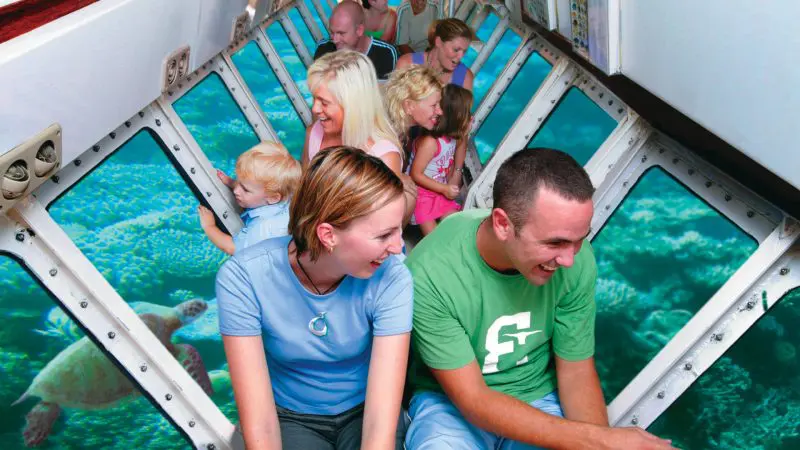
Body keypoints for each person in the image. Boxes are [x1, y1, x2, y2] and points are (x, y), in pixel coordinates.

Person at [404, 148, 676, 449]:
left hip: (538, 396)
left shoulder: (576, 260)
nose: (570, 259)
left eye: (579, 239)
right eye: (555, 242)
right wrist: (602, 441)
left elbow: (575, 371)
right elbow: (473, 400)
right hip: (451, 403)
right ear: (503, 224)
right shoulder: (431, 272)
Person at [217, 147, 412, 449]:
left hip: (365, 412)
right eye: (384, 235)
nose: (398, 247)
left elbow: (379, 429)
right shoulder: (242, 278)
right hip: (289, 417)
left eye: (399, 230)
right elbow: (261, 424)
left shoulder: (393, 277)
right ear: (328, 235)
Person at [304, 50, 417, 225]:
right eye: (314, 99)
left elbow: (381, 228)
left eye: (324, 102)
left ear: (353, 105)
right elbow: (304, 188)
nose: (315, 109)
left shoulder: (384, 157)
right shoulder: (314, 133)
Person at [198, 141, 300, 255]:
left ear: (272, 198)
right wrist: (231, 182)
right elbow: (254, 185)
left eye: (245, 189)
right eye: (238, 181)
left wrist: (209, 226)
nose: (236, 191)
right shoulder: (282, 194)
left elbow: (232, 248)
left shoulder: (262, 228)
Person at [408, 84, 472, 235]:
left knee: (456, 227)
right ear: (454, 117)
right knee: (434, 239)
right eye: (466, 113)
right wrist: (444, 189)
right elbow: (415, 175)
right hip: (420, 195)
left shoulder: (454, 138)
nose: (471, 117)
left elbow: (462, 142)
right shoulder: (430, 143)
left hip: (438, 193)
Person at [314, 1, 397, 80]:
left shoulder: (385, 54)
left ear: (359, 30)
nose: (335, 40)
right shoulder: (324, 49)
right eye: (332, 32)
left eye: (341, 33)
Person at [396, 18, 474, 91]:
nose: (461, 56)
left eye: (464, 51)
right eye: (456, 50)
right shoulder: (407, 64)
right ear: (438, 42)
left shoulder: (465, 77)